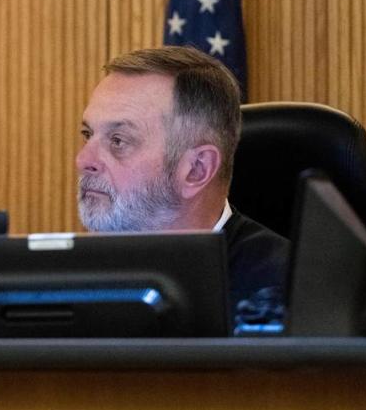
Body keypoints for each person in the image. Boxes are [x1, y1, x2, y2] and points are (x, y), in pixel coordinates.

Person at [75, 45, 289, 311]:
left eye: (118, 141)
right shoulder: (66, 278)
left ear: (197, 169)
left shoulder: (286, 297)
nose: (83, 160)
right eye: (88, 134)